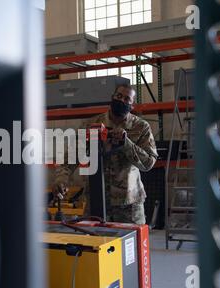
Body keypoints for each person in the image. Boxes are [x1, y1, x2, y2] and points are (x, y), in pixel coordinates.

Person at [53, 84, 158, 225]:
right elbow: (70, 157)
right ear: (112, 97)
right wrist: (61, 179)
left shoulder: (141, 127)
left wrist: (125, 143)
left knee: (131, 245)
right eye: (119, 96)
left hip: (129, 205)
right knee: (95, 244)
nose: (121, 100)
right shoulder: (90, 124)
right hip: (96, 201)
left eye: (127, 99)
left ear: (132, 105)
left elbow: (148, 163)